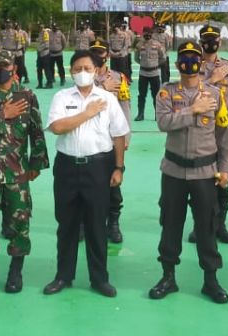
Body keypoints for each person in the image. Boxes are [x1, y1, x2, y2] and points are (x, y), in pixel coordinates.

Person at [150, 41, 228, 304]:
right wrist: (192, 110)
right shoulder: (166, 93)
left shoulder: (215, 94)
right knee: (171, 223)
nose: (190, 63)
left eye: (194, 58)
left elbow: (224, 134)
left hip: (205, 173)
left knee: (207, 225)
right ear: (177, 65)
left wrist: (226, 169)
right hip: (174, 171)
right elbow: (163, 123)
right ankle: (168, 277)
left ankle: (211, 280)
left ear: (201, 62)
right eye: (184, 58)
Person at [43, 50, 129, 297]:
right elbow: (58, 127)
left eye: (87, 68)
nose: (82, 72)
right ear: (70, 71)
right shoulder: (61, 97)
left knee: (96, 224)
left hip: (99, 167)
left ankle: (99, 279)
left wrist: (118, 167)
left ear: (96, 71)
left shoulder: (107, 99)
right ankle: (63, 276)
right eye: (78, 68)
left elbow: (119, 134)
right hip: (67, 167)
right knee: (67, 224)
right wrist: (87, 113)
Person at [0, 49, 49, 293]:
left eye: (6, 65)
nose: (1, 69)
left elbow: (36, 131)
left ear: (14, 67)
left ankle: (16, 272)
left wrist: (37, 163)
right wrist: (3, 115)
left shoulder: (26, 96)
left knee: (19, 224)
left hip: (17, 174)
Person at [193, 24, 228, 243]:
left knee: (223, 177)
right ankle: (200, 227)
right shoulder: (192, 64)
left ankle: (220, 224)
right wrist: (212, 79)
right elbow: (189, 93)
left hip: (223, 130)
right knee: (199, 181)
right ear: (200, 42)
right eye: (206, 39)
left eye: (214, 39)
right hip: (198, 129)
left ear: (220, 42)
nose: (210, 43)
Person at [90, 37, 131, 244]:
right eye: (94, 52)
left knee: (114, 180)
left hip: (111, 135)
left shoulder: (118, 77)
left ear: (107, 54)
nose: (98, 56)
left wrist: (126, 136)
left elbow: (124, 106)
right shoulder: (84, 75)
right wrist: (100, 86)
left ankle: (113, 223)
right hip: (89, 135)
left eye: (101, 52)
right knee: (86, 182)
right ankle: (83, 223)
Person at [134, 28, 166, 121]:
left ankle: (157, 114)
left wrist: (155, 64)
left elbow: (163, 58)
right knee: (141, 95)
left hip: (154, 73)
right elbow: (136, 58)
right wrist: (144, 64)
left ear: (152, 34)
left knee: (156, 95)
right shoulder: (139, 45)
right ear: (143, 33)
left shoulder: (158, 45)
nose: (147, 34)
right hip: (143, 73)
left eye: (149, 33)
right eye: (145, 33)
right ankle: (140, 114)